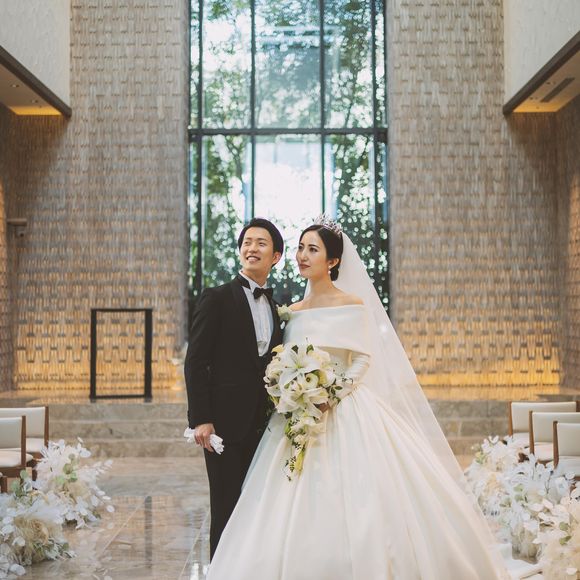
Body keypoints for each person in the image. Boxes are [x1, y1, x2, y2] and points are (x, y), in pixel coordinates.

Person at [205, 216, 509, 579]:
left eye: (312, 249)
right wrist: (292, 391)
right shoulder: (290, 311)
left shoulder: (351, 304)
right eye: (300, 248)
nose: (303, 256)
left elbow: (362, 359)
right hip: (296, 413)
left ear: (333, 261)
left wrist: (329, 395)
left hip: (344, 408)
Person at [184, 217, 284, 558]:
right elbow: (196, 361)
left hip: (264, 426)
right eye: (247, 242)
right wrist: (201, 419)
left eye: (261, 243)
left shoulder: (276, 307)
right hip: (223, 426)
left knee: (255, 509)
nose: (251, 248)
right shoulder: (216, 298)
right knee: (225, 507)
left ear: (275, 256)